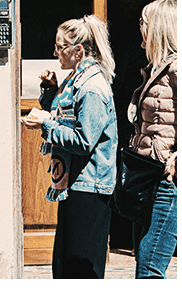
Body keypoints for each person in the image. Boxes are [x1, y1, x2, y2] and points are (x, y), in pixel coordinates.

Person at [22, 15, 118, 278]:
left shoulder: (91, 87)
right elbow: (65, 115)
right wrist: (51, 90)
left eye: (60, 46)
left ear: (78, 50)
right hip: (74, 184)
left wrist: (46, 125)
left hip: (89, 186)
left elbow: (84, 140)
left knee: (80, 268)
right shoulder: (75, 81)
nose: (55, 53)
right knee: (65, 267)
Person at [128, 0, 177, 278]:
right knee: (144, 265)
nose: (140, 29)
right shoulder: (156, 71)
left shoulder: (176, 70)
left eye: (143, 23)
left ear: (157, 28)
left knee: (149, 270)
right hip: (148, 176)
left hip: (167, 182)